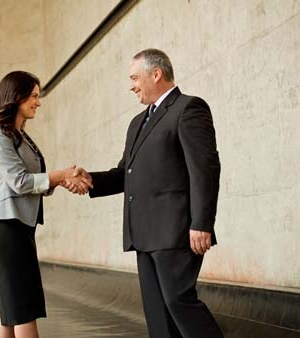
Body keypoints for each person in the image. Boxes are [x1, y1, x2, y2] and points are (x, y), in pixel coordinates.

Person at [64, 49, 224, 338]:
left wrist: (202, 223)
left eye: (135, 77)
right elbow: (126, 172)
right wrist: (92, 180)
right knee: (157, 316)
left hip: (175, 231)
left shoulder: (189, 109)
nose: (132, 85)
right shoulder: (137, 122)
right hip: (144, 233)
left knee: (179, 303)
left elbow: (205, 169)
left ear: (156, 73)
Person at [0, 70, 91, 338]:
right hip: (6, 230)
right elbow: (20, 182)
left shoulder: (20, 135)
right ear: (14, 98)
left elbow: (34, 182)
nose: (37, 102)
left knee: (9, 309)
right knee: (22, 307)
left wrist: (62, 181)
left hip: (18, 229)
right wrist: (62, 175)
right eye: (33, 96)